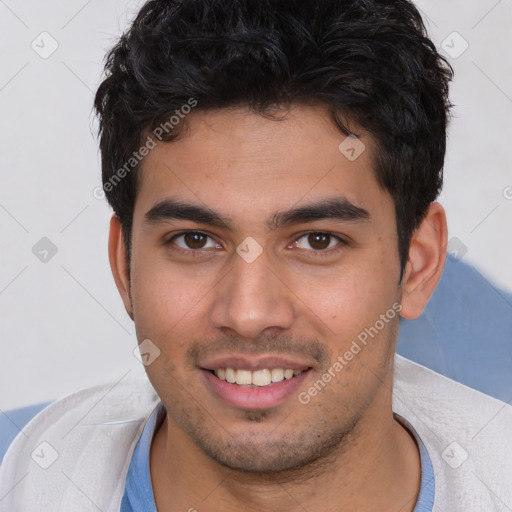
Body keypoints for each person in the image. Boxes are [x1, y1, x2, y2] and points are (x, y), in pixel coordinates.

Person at [0, 1, 510, 511]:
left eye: (317, 241)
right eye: (194, 240)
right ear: (125, 265)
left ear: (417, 266)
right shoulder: (19, 475)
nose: (248, 314)